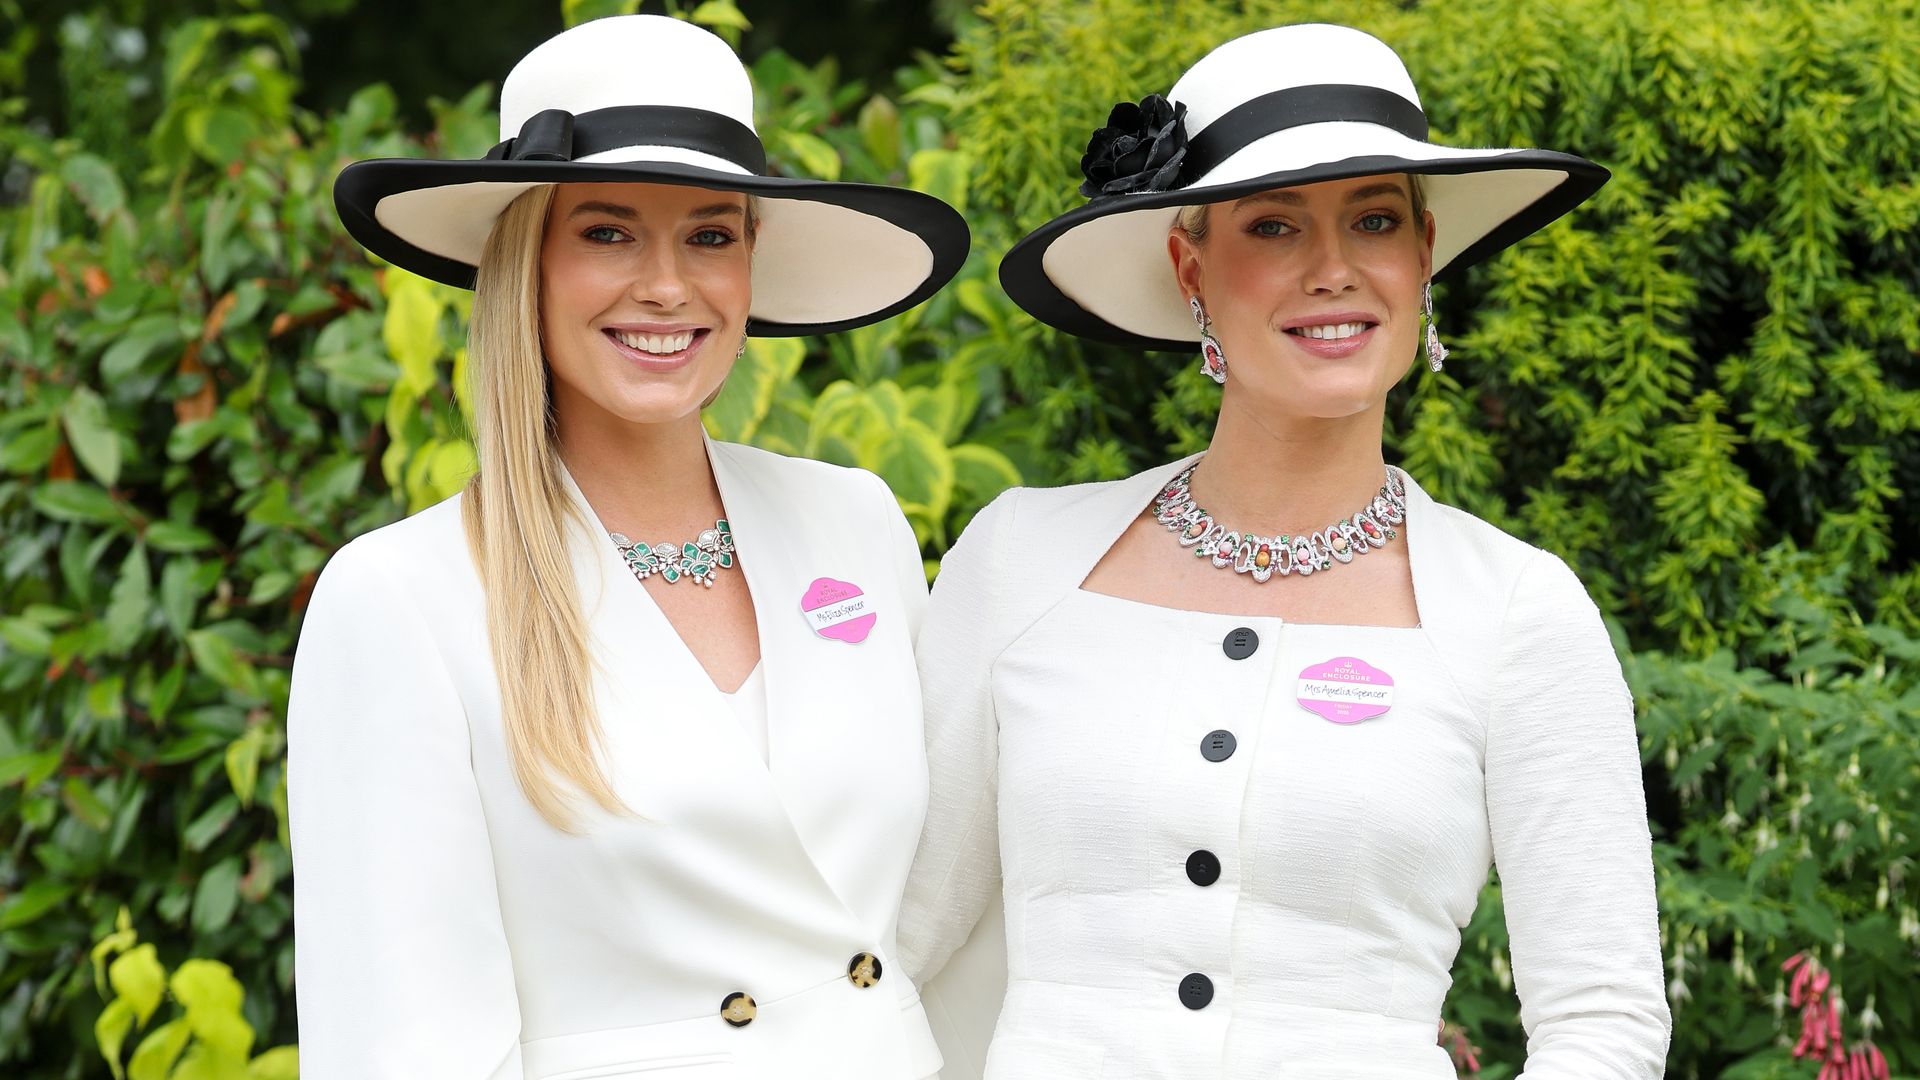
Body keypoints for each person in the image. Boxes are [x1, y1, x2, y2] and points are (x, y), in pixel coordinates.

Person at [900, 23, 1670, 1079]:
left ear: (1425, 256)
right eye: (1273, 226)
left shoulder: (1517, 613)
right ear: (1190, 268)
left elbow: (1604, 1020)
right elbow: (897, 942)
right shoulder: (1021, 562)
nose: (1335, 270)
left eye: (1375, 220)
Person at [289, 15, 968, 1079]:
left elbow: (941, 916)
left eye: (711, 235)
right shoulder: (400, 597)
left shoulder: (855, 520)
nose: (667, 285)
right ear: (528, 265)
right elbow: (406, 1040)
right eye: (607, 233)